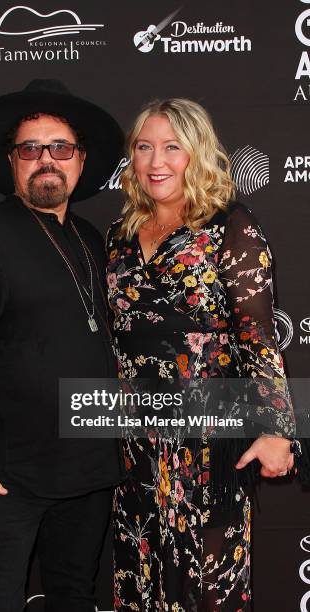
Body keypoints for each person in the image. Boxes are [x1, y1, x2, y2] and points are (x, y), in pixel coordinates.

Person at [0, 79, 127, 612]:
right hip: (8, 476)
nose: (46, 160)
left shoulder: (90, 238)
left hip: (89, 469)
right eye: (30, 149)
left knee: (74, 597)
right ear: (11, 162)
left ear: (81, 162)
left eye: (60, 148)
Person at [106, 98, 300, 611]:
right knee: (142, 582)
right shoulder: (120, 235)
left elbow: (256, 334)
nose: (155, 162)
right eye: (144, 147)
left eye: (172, 147)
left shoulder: (229, 225)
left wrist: (276, 429)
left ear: (198, 154)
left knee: (208, 588)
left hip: (209, 444)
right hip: (136, 447)